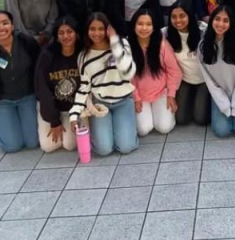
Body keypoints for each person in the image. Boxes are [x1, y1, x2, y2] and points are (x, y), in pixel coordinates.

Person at [69, 13, 138, 156]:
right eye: (92, 29)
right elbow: (84, 87)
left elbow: (128, 72)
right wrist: (74, 115)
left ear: (108, 29)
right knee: (103, 150)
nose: (96, 33)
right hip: (100, 105)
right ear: (87, 31)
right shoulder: (84, 56)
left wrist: (114, 42)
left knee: (126, 147)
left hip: (123, 101)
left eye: (101, 29)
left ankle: (126, 133)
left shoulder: (122, 44)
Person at [0, 10, 40, 153]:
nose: (1, 28)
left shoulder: (26, 43)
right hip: (3, 101)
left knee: (32, 142)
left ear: (12, 25)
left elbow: (39, 69)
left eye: (5, 23)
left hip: (27, 97)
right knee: (12, 146)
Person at [199, 5, 235, 137]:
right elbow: (209, 80)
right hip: (221, 93)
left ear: (231, 23)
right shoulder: (203, 46)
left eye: (226, 21)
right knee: (222, 131)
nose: (220, 24)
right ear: (211, 20)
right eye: (217, 19)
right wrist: (224, 104)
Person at [128, 9, 183, 136]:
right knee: (143, 129)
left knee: (164, 128)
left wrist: (171, 94)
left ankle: (164, 115)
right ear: (134, 25)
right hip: (139, 94)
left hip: (161, 92)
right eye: (140, 24)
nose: (144, 28)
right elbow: (127, 77)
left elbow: (174, 71)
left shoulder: (161, 44)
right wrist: (136, 98)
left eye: (148, 24)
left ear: (154, 27)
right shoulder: (127, 46)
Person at [34, 15, 81, 152]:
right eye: (61, 33)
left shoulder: (82, 54)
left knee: (69, 145)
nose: (66, 36)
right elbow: (42, 89)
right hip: (52, 107)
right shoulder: (47, 55)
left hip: (73, 109)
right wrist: (54, 120)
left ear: (76, 34)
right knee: (48, 147)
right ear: (56, 36)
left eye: (70, 32)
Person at [164, 3, 210, 125]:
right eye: (174, 17)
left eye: (182, 16)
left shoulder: (203, 31)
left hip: (205, 80)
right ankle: (192, 98)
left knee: (201, 119)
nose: (178, 20)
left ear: (189, 16)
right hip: (184, 79)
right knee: (181, 119)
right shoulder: (166, 34)